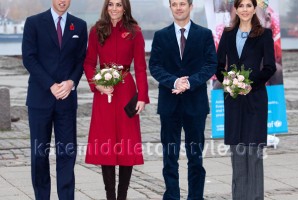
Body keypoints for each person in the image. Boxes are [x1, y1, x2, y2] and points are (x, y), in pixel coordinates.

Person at [149, 0, 217, 199]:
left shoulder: (204, 34)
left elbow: (210, 64)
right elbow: (155, 66)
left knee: (195, 157)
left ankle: (196, 196)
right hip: (169, 105)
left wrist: (189, 83)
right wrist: (174, 81)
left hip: (195, 104)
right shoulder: (161, 36)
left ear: (190, 6)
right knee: (170, 157)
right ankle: (172, 196)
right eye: (175, 4)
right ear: (170, 7)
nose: (179, 7)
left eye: (182, 4)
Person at [83, 0, 149, 199]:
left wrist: (143, 97)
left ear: (125, 8)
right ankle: (110, 195)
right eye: (110, 4)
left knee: (127, 145)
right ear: (106, 7)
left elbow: (140, 67)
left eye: (118, 5)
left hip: (127, 92)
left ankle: (122, 195)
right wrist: (97, 84)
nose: (114, 8)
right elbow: (88, 63)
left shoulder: (135, 31)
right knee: (106, 145)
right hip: (104, 92)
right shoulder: (96, 30)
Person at [22, 0, 87, 199]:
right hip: (40, 99)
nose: (62, 1)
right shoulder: (33, 23)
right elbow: (29, 58)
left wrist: (71, 82)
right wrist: (51, 85)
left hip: (67, 100)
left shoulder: (80, 25)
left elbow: (81, 60)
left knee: (67, 154)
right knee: (39, 154)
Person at [215, 0, 276, 199]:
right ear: (236, 8)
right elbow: (218, 65)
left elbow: (269, 67)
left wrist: (250, 84)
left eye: (248, 5)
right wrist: (230, 82)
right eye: (241, 6)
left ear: (254, 8)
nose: (245, 10)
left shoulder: (264, 34)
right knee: (238, 153)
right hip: (233, 100)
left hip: (256, 99)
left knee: (255, 154)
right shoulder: (228, 33)